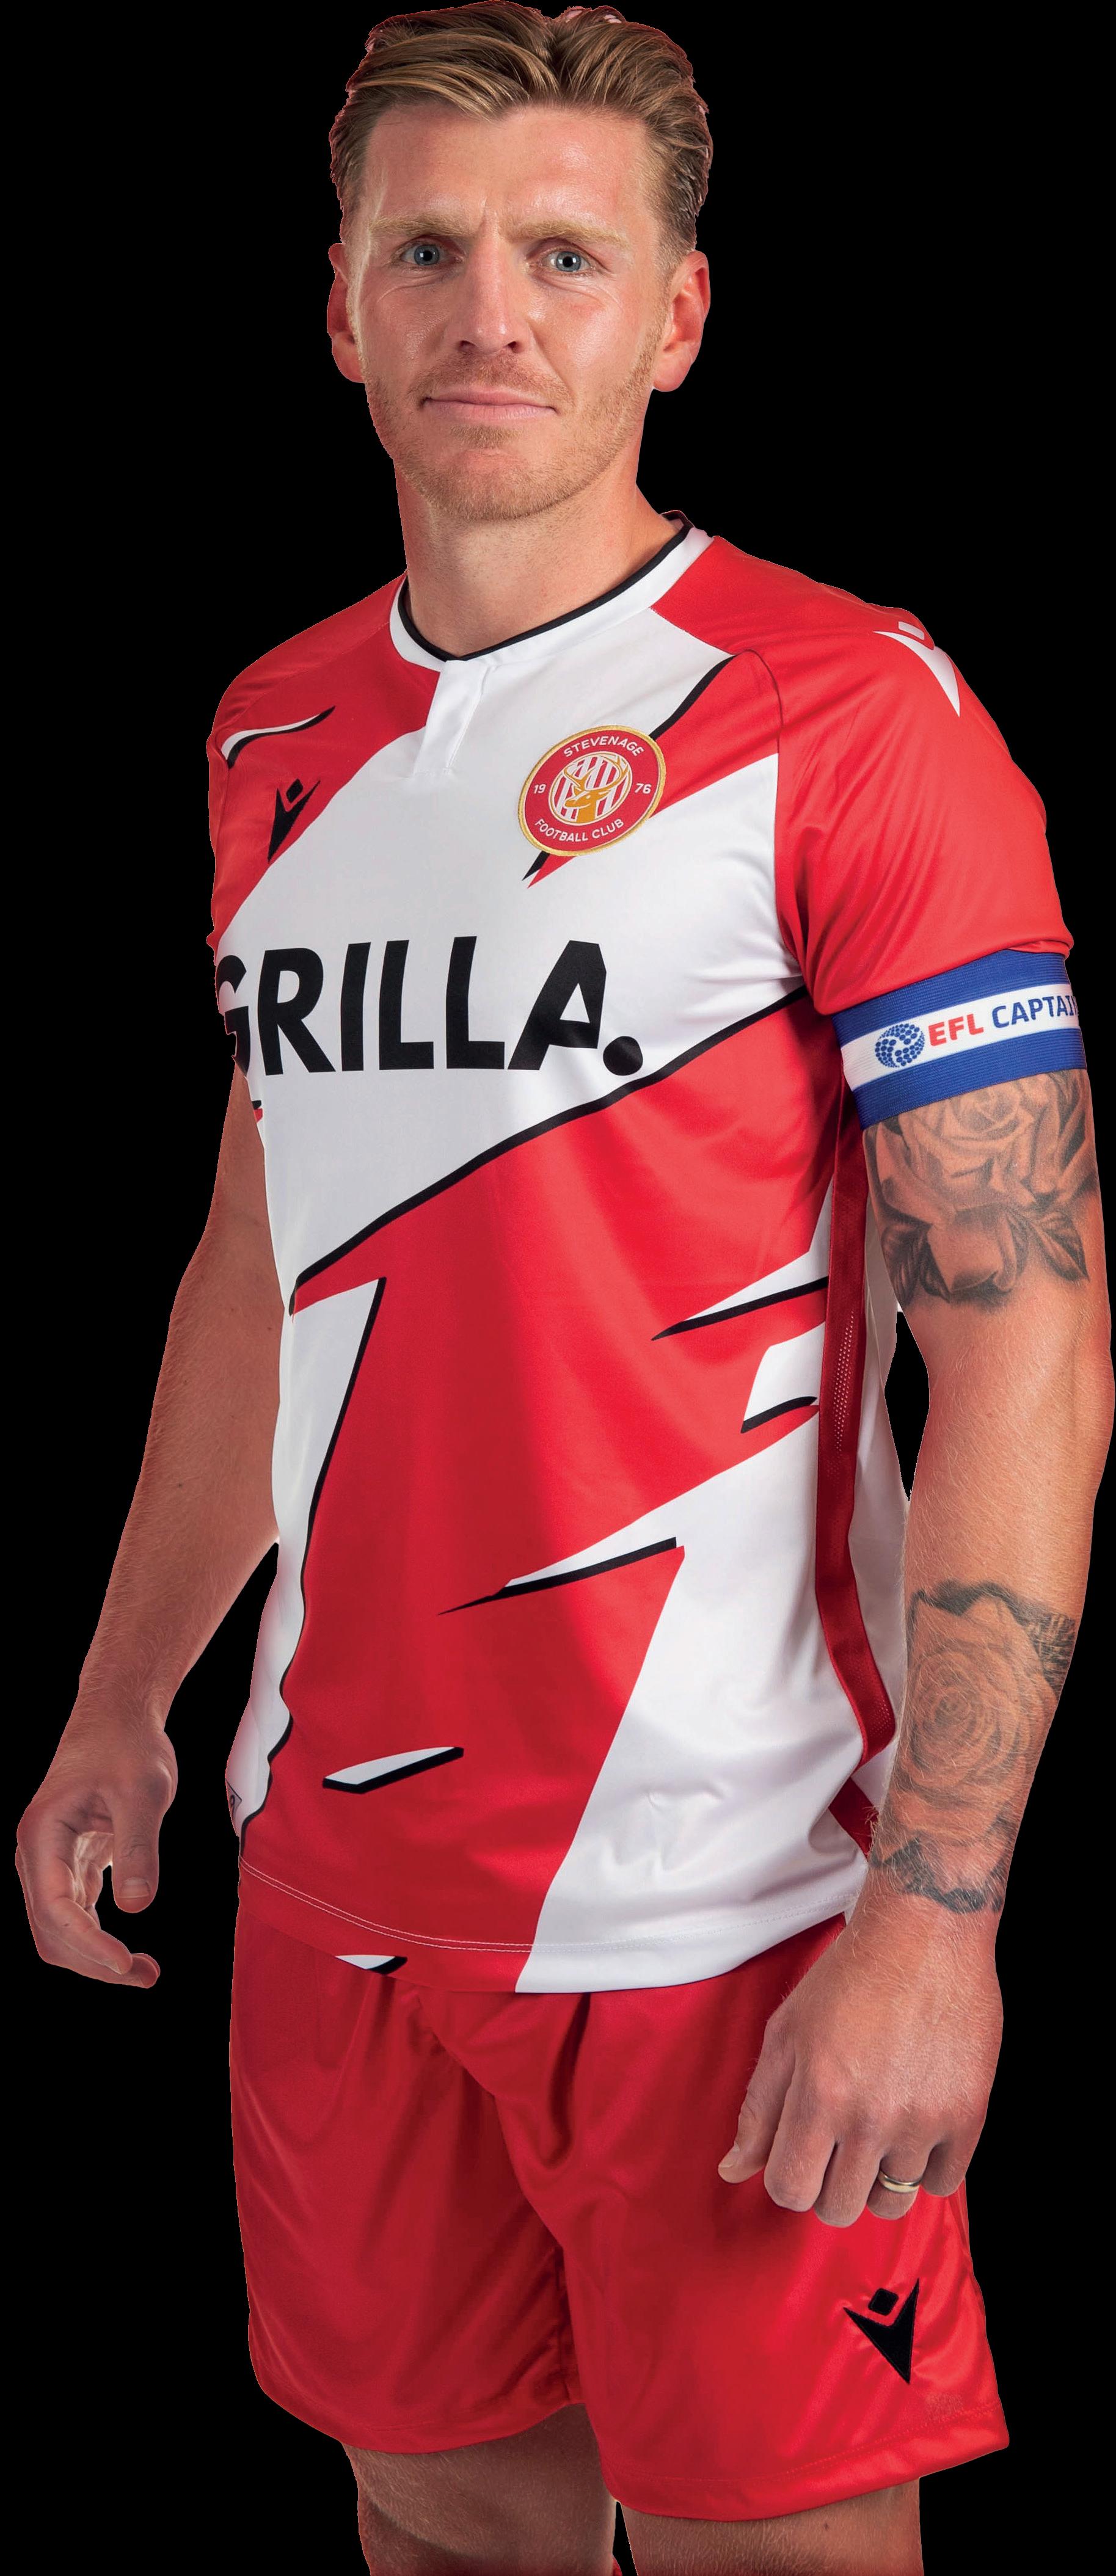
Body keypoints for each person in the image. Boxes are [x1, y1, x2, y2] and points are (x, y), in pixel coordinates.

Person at [16, 7, 1111, 2572]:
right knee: (440, 2530)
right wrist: (123, 1697)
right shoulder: (272, 727)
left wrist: (935, 1911)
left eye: (560, 254)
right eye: (427, 250)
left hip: (722, 1896)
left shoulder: (847, 714)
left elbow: (1026, 1342)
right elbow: (264, 1254)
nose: (487, 310)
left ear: (676, 314)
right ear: (339, 307)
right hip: (337, 1873)